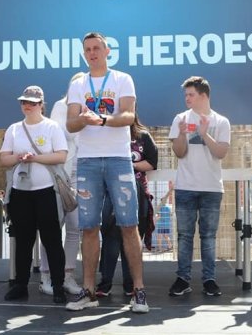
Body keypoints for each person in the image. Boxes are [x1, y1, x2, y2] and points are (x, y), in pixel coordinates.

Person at [65, 32, 148, 313]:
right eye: (87, 49)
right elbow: (71, 124)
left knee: (129, 225)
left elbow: (128, 116)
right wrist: (83, 119)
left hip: (118, 160)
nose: (92, 53)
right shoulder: (78, 84)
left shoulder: (122, 79)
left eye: (96, 48)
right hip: (87, 161)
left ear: (107, 50)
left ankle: (138, 291)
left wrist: (101, 119)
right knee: (89, 227)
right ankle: (88, 291)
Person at [0, 85, 68, 304]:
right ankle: (20, 284)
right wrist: (19, 157)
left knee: (52, 240)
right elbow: (4, 159)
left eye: (32, 102)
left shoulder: (52, 127)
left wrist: (34, 158)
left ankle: (58, 286)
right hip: (20, 192)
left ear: (41, 104)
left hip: (46, 191)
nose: (27, 106)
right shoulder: (14, 129)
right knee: (23, 241)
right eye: (24, 102)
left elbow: (61, 156)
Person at [168, 76, 230, 297]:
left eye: (191, 94)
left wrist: (205, 134)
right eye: (185, 94)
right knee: (184, 235)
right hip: (186, 186)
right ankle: (182, 278)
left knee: (208, 236)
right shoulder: (180, 118)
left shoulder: (221, 121)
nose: (187, 98)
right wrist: (181, 134)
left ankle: (209, 279)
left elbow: (221, 153)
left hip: (211, 187)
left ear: (203, 95)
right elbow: (179, 152)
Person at [96, 110, 157, 297]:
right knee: (110, 238)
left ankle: (131, 284)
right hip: (110, 194)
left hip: (137, 192)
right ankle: (105, 283)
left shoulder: (143, 136)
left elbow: (152, 162)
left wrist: (130, 165)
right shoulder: (106, 135)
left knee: (131, 236)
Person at [38, 73, 85, 297]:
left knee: (75, 227)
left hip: (81, 174)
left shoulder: (92, 107)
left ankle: (68, 274)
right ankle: (46, 275)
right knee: (53, 227)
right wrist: (81, 120)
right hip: (60, 175)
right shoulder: (61, 105)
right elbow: (62, 132)